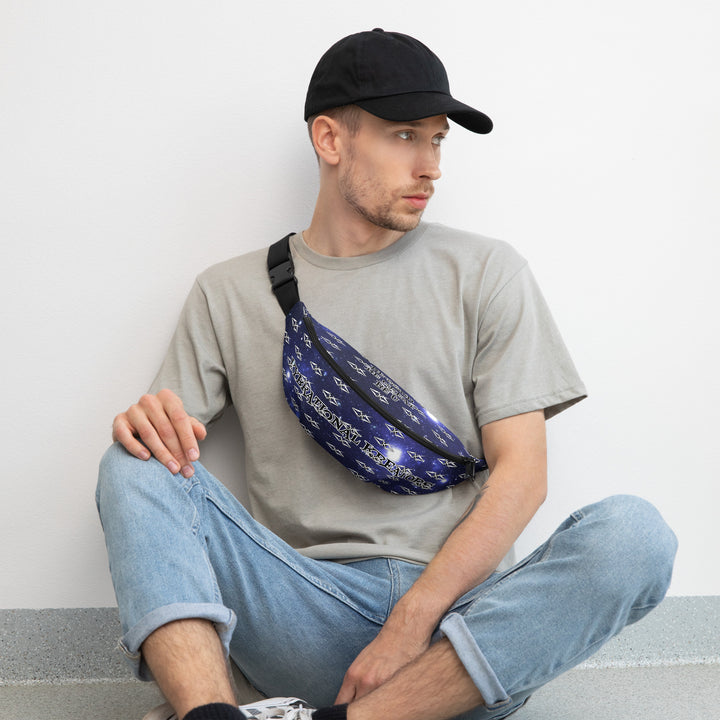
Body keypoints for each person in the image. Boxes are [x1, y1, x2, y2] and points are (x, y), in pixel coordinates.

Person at [96, 29, 677, 720]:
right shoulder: (229, 291)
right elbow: (168, 460)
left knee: (635, 535)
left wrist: (409, 624)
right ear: (330, 139)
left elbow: (523, 475)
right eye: (406, 136)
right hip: (305, 611)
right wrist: (147, 427)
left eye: (438, 141)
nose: (430, 167)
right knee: (131, 464)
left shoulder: (486, 272)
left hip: (459, 640)